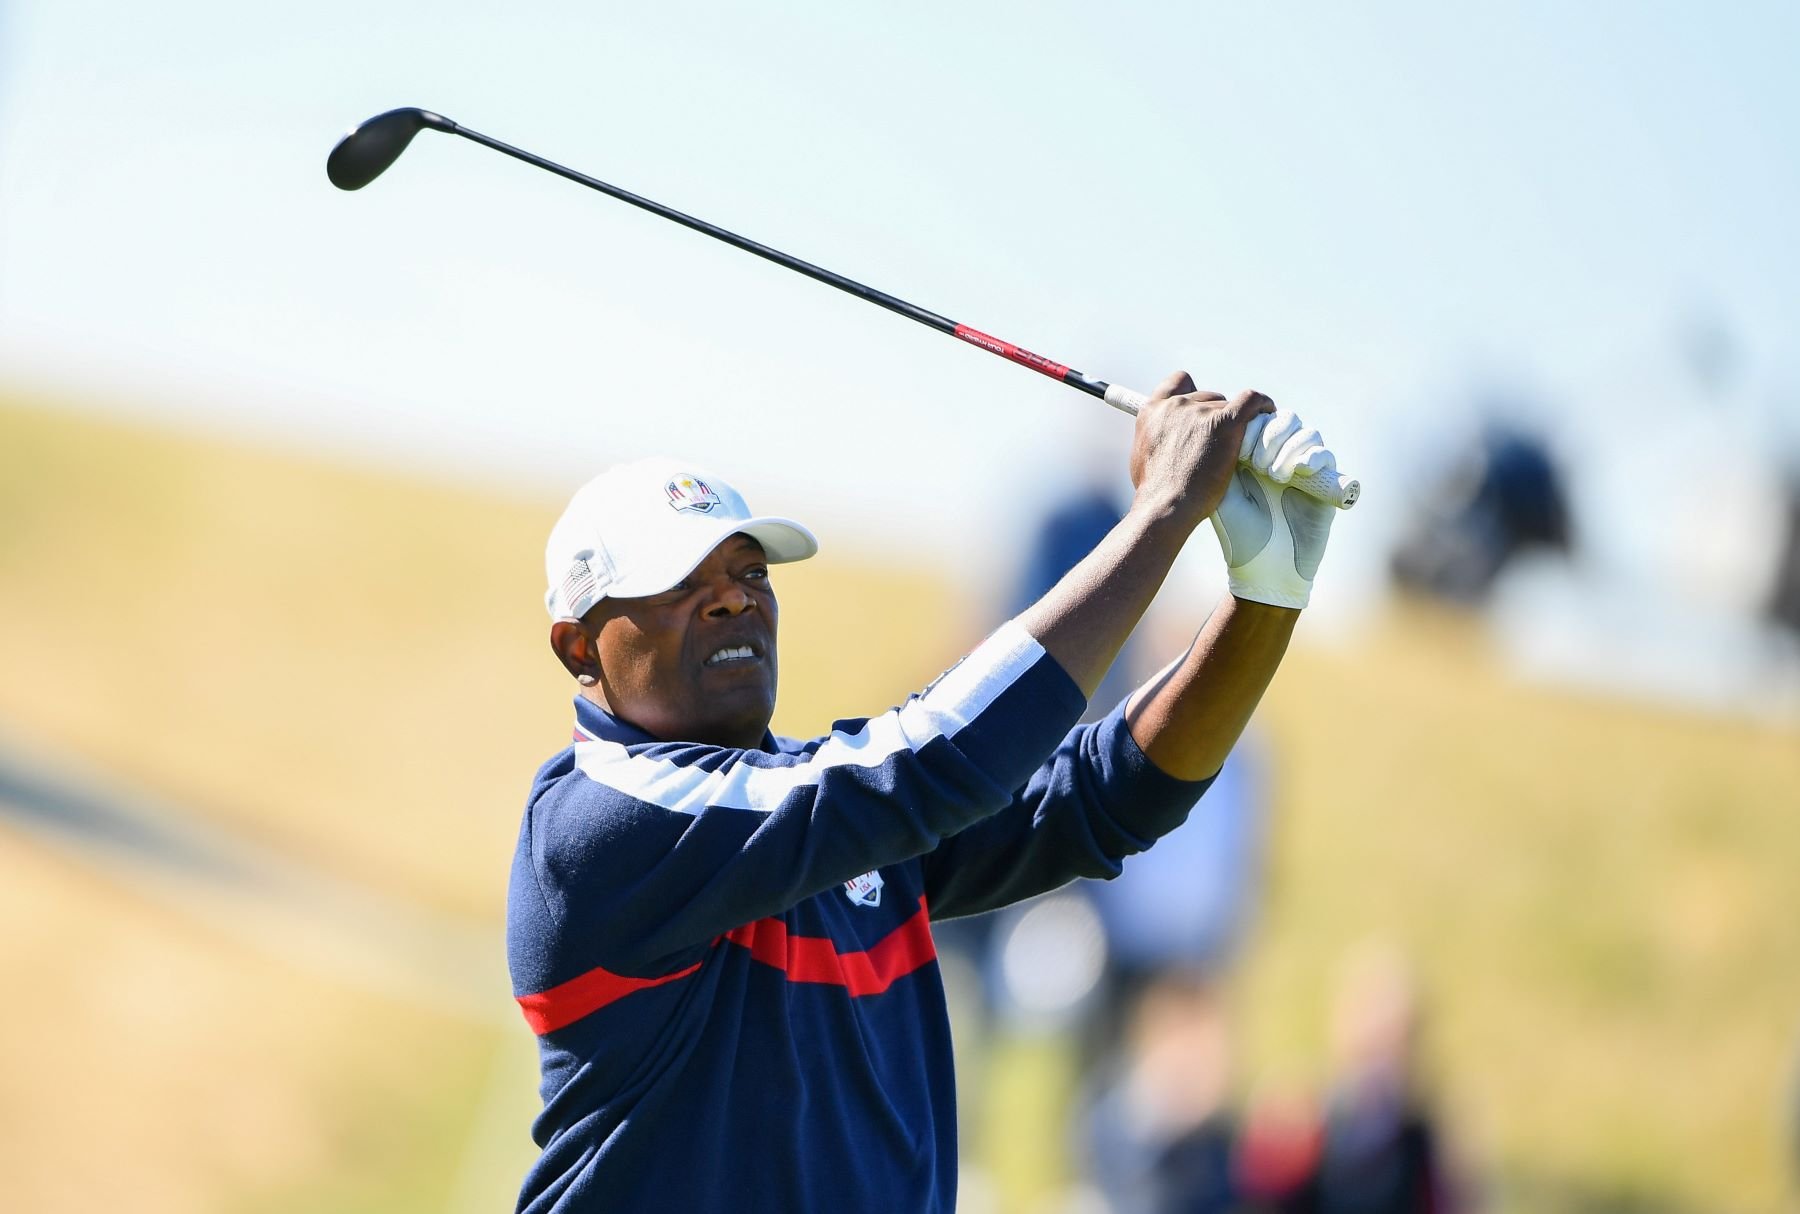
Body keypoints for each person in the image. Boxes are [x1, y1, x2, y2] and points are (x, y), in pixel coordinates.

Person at [505, 372, 1344, 1212]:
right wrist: (1162, 512)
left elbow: (1104, 797)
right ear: (579, 649)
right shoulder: (597, 823)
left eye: (750, 572)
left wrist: (1265, 599)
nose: (732, 599)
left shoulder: (817, 807)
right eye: (678, 583)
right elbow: (925, 764)